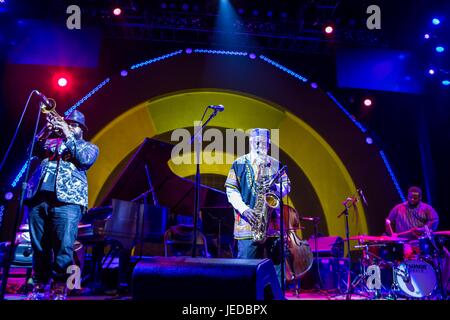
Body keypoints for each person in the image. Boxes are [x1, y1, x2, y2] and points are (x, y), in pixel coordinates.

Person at [25, 109, 99, 300]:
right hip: (38, 198)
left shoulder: (88, 147)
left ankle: (60, 289)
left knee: (64, 247)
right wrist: (45, 131)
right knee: (39, 247)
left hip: (68, 202)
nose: (70, 126)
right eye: (69, 123)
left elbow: (85, 161)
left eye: (74, 125)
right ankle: (39, 287)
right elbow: (30, 151)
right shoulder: (49, 143)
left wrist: (67, 134)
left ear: (81, 130)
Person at [225, 128, 290, 286]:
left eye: (264, 142)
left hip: (273, 227)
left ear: (268, 144)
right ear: (251, 143)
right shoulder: (239, 164)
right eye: (256, 142)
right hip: (248, 225)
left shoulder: (276, 164)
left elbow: (287, 185)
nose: (260, 145)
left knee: (277, 271)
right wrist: (244, 209)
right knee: (246, 272)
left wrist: (276, 189)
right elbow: (231, 189)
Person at [386, 186, 449, 296]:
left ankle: (444, 287)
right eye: (411, 197)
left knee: (447, 256)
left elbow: (435, 220)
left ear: (420, 198)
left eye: (415, 198)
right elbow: (388, 221)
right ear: (408, 196)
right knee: (408, 257)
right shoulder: (399, 208)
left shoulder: (426, 208)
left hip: (423, 241)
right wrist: (392, 235)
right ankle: (409, 289)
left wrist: (423, 229)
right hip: (405, 242)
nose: (412, 200)